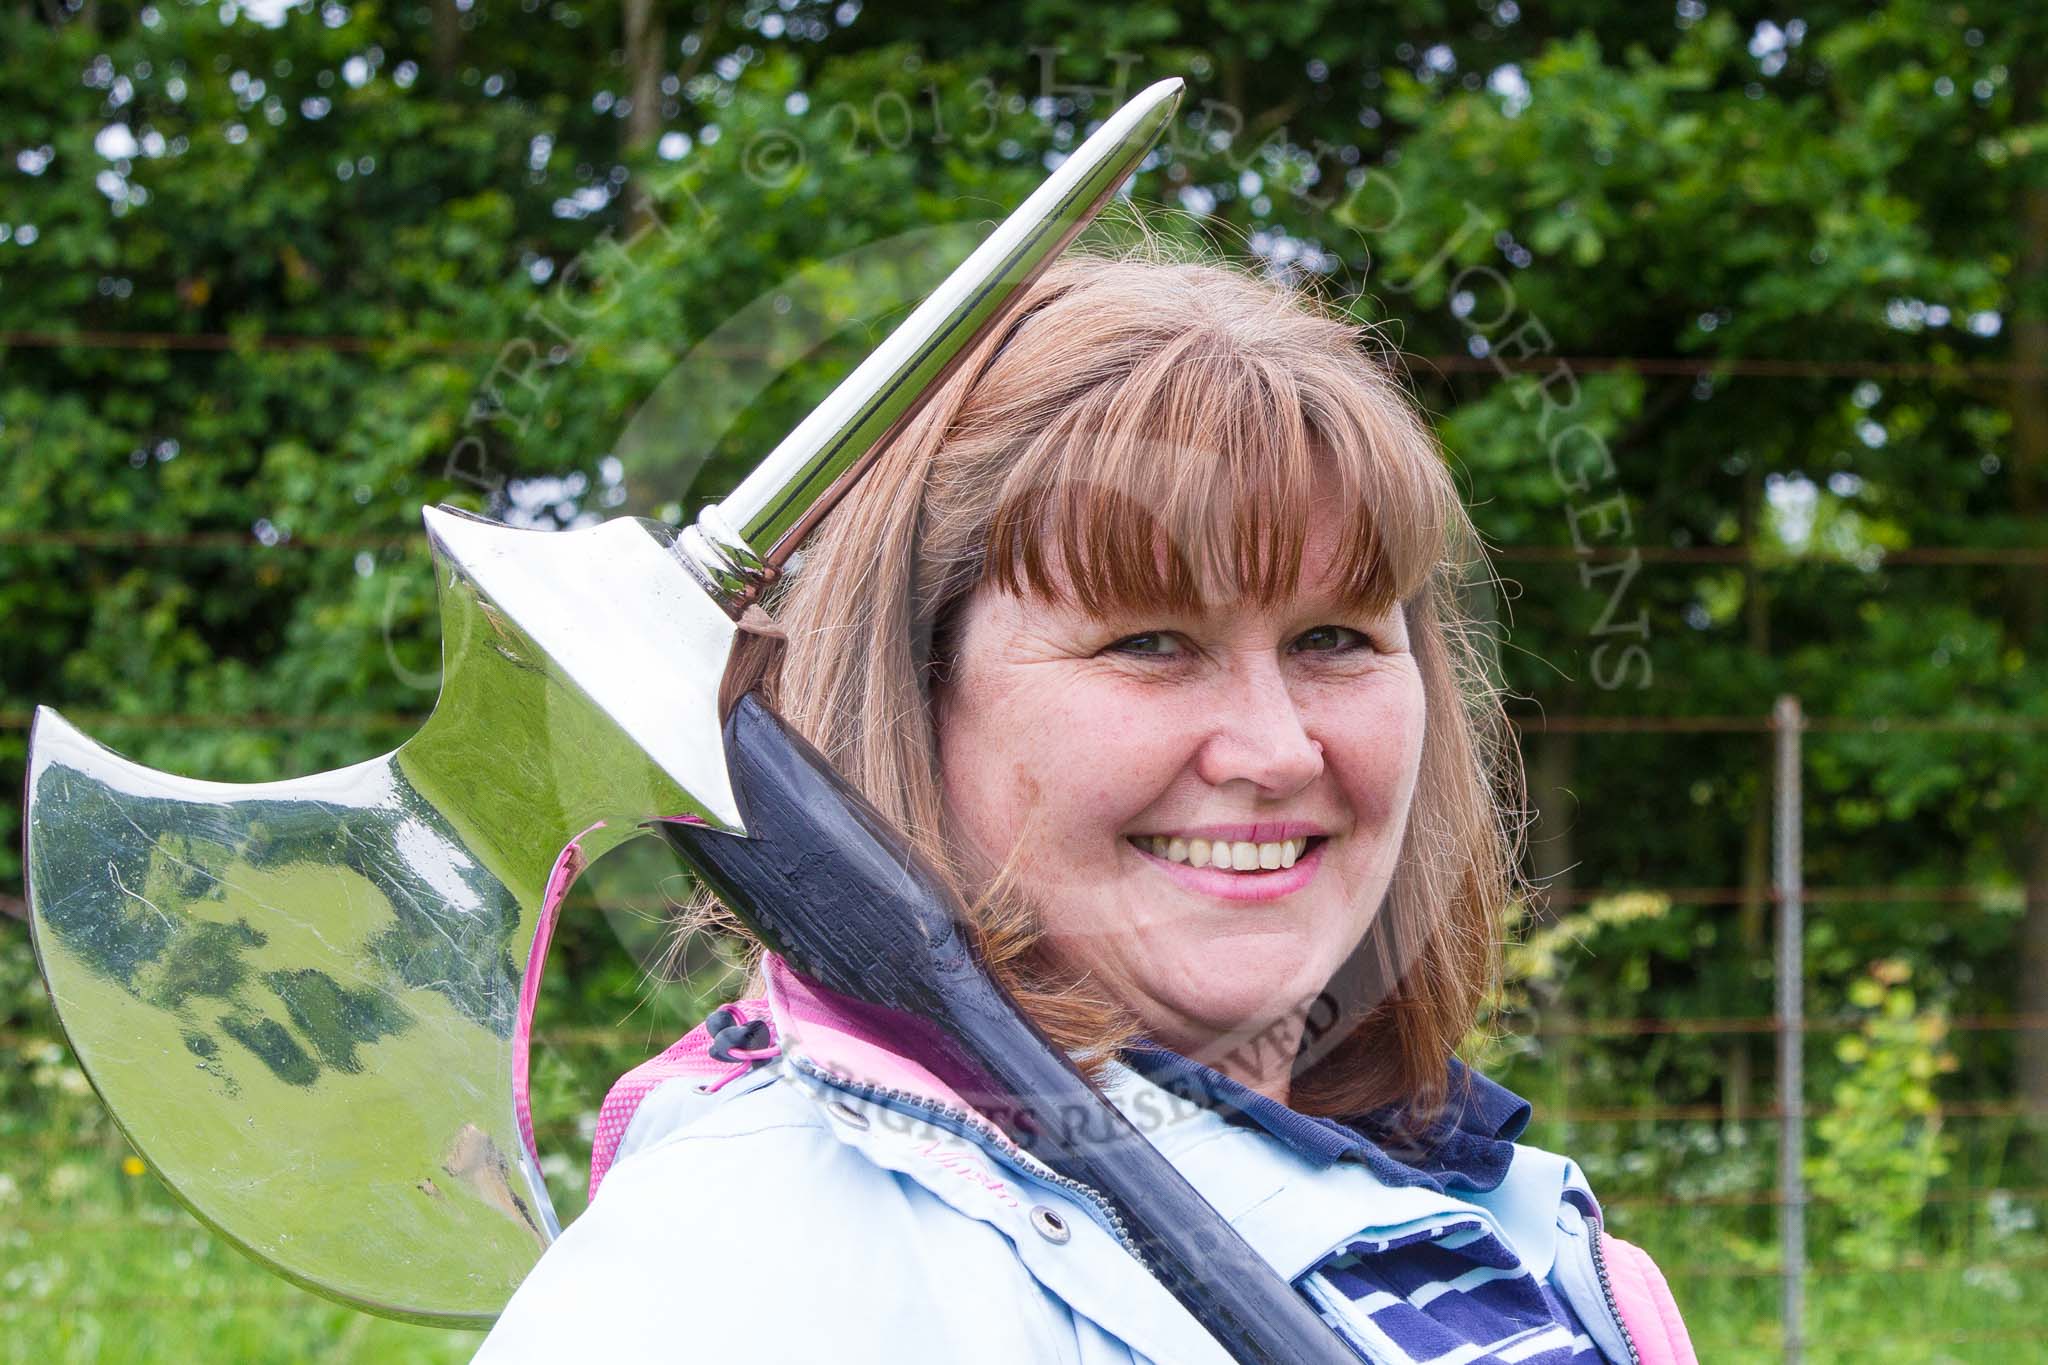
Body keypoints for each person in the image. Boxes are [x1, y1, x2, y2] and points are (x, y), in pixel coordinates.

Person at [472, 245, 1696, 1364]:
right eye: (1150, 641)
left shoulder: (1518, 1228)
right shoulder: (742, 1278)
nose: (1273, 749)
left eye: (1332, 637)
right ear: (914, 690)